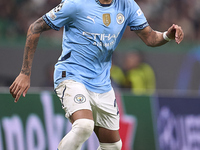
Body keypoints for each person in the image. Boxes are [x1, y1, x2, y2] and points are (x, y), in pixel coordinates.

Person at [9, 0, 184, 149]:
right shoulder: (76, 4)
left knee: (114, 146)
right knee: (84, 126)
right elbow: (35, 28)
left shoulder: (127, 5)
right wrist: (25, 73)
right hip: (71, 75)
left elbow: (150, 37)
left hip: (101, 83)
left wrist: (167, 35)